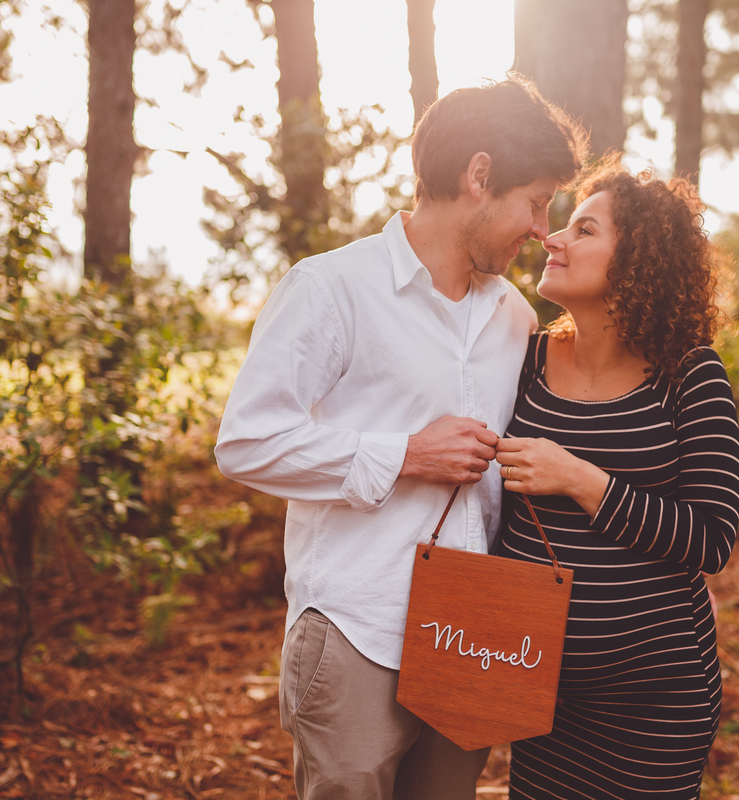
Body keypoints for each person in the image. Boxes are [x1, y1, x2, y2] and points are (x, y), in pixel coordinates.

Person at [214, 75, 586, 800]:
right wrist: (406, 454)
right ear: (478, 175)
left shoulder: (514, 314)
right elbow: (245, 441)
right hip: (358, 626)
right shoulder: (330, 289)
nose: (543, 228)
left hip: (474, 635)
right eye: (536, 201)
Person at [494, 156, 739, 799]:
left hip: (654, 701)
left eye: (584, 229)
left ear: (638, 260)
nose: (553, 238)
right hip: (540, 686)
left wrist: (581, 478)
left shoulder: (690, 373)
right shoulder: (525, 361)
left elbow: (711, 540)